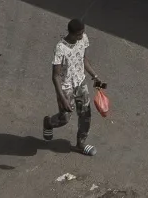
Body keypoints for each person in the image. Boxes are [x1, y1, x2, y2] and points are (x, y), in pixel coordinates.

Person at [43, 18, 105, 156]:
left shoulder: (83, 39)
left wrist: (95, 76)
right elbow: (56, 76)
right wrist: (62, 98)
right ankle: (48, 122)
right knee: (64, 118)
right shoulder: (60, 48)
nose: (82, 37)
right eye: (79, 34)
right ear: (71, 33)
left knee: (86, 115)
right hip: (66, 87)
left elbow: (83, 59)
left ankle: (80, 144)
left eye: (83, 33)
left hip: (80, 83)